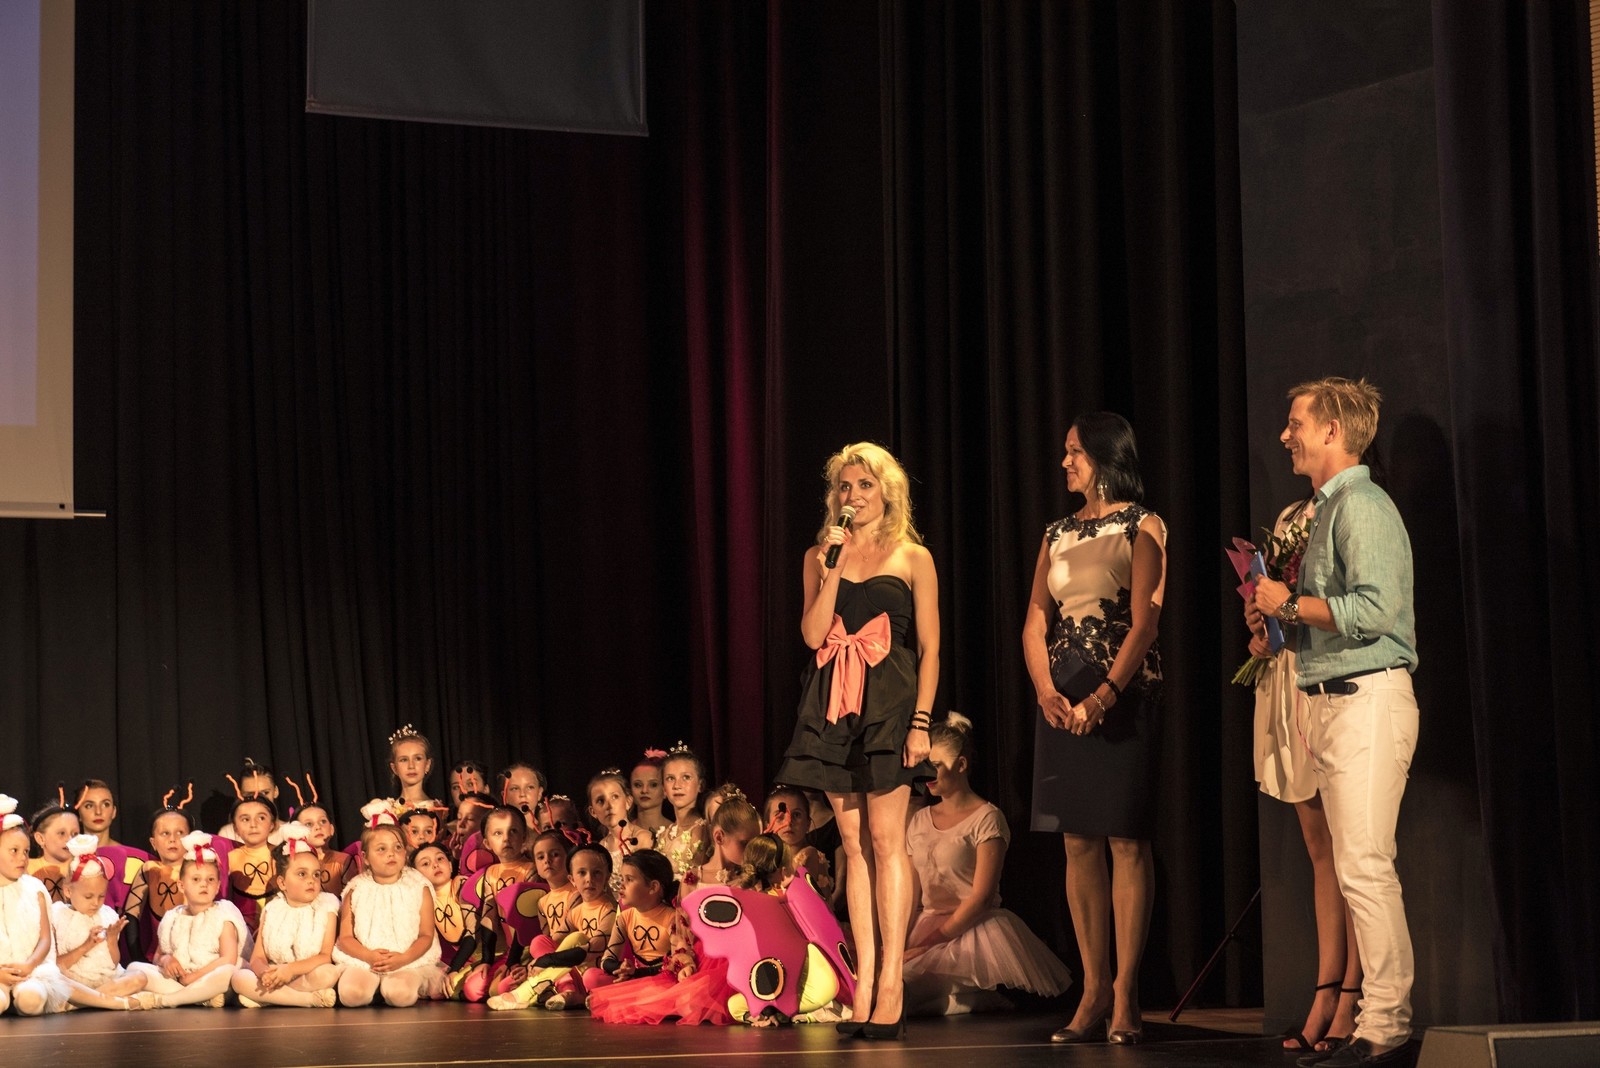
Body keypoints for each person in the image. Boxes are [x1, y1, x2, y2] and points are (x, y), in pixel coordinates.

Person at [1251, 377, 1418, 1068]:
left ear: (1331, 431)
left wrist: (1290, 604)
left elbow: (1376, 611)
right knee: (1355, 869)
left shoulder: (1363, 505)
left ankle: (1385, 1026)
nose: (1285, 435)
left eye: (1296, 423)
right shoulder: (1327, 511)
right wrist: (1279, 626)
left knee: (1365, 868)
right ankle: (1374, 1024)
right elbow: (1336, 615)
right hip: (1332, 701)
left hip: (1366, 700)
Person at [775, 441, 938, 1040]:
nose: (854, 495)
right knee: (853, 844)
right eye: (845, 486)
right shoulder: (820, 554)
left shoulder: (913, 556)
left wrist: (921, 722)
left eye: (865, 485)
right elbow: (812, 633)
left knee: (888, 841)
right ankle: (863, 981)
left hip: (891, 706)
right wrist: (833, 567)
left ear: (887, 492)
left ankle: (892, 980)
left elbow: (930, 649)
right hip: (833, 707)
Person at [1023, 412, 1165, 1046]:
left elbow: (1145, 623)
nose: (1065, 462)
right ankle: (1093, 989)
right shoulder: (1056, 532)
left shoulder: (1143, 525)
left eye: (1074, 451)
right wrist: (1045, 691)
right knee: (1077, 842)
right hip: (1061, 697)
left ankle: (1127, 993)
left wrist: (1105, 696)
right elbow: (1035, 619)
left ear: (1106, 457)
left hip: (1123, 696)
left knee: (1126, 840)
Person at [1244, 494, 1365, 1054]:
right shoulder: (1291, 516)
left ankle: (1354, 993)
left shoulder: (1352, 508)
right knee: (1321, 852)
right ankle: (1325, 988)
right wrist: (1262, 623)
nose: (1289, 448)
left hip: (1333, 680)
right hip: (1289, 675)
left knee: (1352, 851)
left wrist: (1289, 604)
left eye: (1298, 443)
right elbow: (1278, 609)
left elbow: (1353, 606)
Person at [903, 712, 1071, 1016]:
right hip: (927, 924)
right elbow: (911, 893)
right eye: (925, 765)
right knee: (883, 987)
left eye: (936, 765)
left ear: (961, 765)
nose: (928, 774)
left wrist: (930, 943)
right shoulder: (919, 820)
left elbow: (980, 898)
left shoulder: (986, 818)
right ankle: (971, 1000)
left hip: (972, 930)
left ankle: (977, 996)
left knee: (904, 992)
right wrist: (901, 939)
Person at [126, 831, 249, 1008]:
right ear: (181, 885)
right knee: (135, 967)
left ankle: (169, 1000)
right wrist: (166, 960)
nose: (204, 884)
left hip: (208, 978)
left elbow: (228, 959)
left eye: (210, 879)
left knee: (229, 972)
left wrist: (194, 977)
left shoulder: (223, 915)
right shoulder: (173, 917)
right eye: (196, 879)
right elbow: (158, 955)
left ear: (217, 886)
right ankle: (197, 997)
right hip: (181, 982)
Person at [332, 820, 445, 1007]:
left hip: (407, 960)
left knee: (400, 996)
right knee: (351, 995)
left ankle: (387, 988)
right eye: (381, 849)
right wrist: (369, 956)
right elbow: (345, 938)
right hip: (364, 960)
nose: (391, 854)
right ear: (365, 857)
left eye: (397, 847)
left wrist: (404, 958)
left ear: (405, 852)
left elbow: (426, 935)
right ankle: (374, 988)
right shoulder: (356, 888)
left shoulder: (418, 886)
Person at [230, 823, 342, 1007]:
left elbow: (325, 956)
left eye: (316, 875)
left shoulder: (327, 905)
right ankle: (307, 1000)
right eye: (302, 874)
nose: (311, 880)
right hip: (276, 972)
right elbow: (258, 957)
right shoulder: (272, 909)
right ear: (282, 883)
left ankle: (269, 998)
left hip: (306, 974)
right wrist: (265, 974)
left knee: (328, 973)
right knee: (239, 978)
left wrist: (290, 970)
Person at [50, 835, 151, 1008]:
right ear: (68, 891)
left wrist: (111, 939)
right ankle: (103, 1000)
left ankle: (85, 1002)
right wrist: (86, 946)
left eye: (101, 896)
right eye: (88, 896)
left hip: (105, 981)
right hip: (75, 980)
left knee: (139, 977)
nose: (95, 903)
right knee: (55, 980)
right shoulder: (58, 914)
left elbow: (114, 963)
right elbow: (57, 965)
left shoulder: (107, 914)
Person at [0, 797, 73, 1016]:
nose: (22, 858)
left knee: (30, 1000)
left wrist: (30, 965)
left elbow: (44, 938)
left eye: (25, 851)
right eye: (14, 850)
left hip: (30, 971)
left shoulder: (34, 888)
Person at [657, 748, 710, 877]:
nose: (677, 785)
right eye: (670, 778)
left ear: (700, 785)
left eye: (686, 777)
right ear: (664, 789)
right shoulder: (663, 835)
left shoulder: (706, 831)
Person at [27, 803, 80, 903]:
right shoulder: (27, 868)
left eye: (75, 834)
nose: (70, 839)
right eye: (62, 833)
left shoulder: (82, 868)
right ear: (40, 838)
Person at [388, 725, 438, 809]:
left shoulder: (437, 810)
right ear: (394, 768)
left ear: (427, 765)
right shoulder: (385, 811)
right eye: (404, 760)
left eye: (418, 758)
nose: (411, 766)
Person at [630, 750, 671, 835]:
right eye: (638, 785)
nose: (644, 790)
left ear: (665, 790)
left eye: (653, 785)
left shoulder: (676, 832)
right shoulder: (622, 832)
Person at [74, 780, 122, 847]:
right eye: (89, 806)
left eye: (106, 804)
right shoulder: (65, 852)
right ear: (78, 813)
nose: (98, 812)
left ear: (114, 811)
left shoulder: (128, 853)